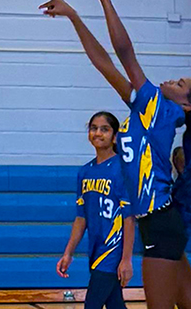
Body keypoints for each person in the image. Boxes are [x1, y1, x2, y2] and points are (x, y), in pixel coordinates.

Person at [41, 0, 191, 309]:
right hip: (163, 225)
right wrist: (74, 17)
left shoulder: (161, 111)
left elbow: (123, 52)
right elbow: (104, 63)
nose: (172, 80)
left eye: (180, 83)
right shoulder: (146, 110)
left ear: (186, 103)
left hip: (160, 226)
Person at [57, 111, 134, 309]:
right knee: (115, 304)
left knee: (92, 304)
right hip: (95, 250)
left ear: (115, 136)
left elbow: (129, 218)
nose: (98, 133)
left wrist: (126, 259)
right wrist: (68, 253)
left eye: (104, 129)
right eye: (93, 128)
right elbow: (81, 218)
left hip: (112, 251)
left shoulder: (123, 169)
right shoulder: (85, 172)